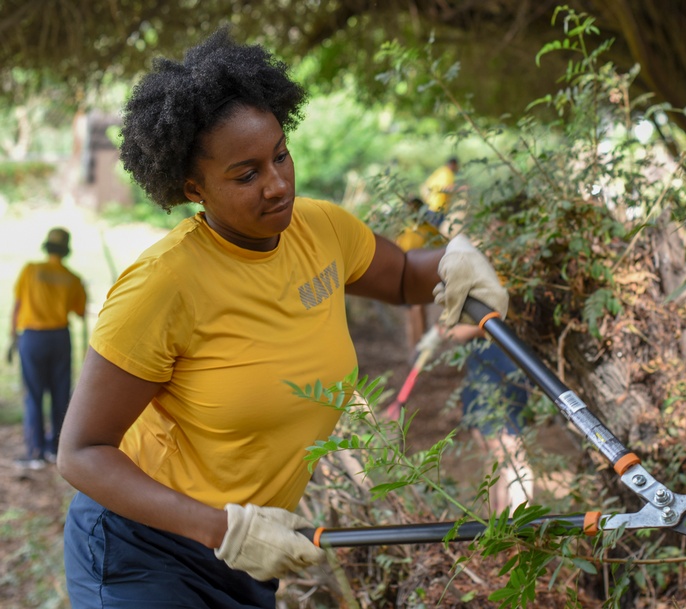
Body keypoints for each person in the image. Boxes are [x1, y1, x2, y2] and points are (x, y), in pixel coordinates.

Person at [56, 28, 508, 609]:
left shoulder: (320, 229)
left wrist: (452, 262)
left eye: (281, 155)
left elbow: (399, 277)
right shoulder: (163, 286)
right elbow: (82, 452)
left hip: (246, 556)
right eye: (245, 176)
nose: (277, 185)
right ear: (192, 188)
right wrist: (219, 528)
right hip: (143, 552)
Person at [10, 227, 87, 470]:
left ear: (48, 246)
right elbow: (81, 312)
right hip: (60, 338)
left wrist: (12, 336)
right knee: (60, 393)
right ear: (66, 249)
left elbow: (18, 305)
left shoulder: (31, 270)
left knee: (33, 395)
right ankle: (55, 449)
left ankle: (34, 453)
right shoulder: (73, 278)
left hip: (32, 338)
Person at [445, 323, 535, 513]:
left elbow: (494, 322)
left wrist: (455, 330)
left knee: (509, 451)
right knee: (489, 452)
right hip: (479, 374)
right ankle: (495, 520)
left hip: (502, 372)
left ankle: (519, 520)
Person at [394, 197, 445, 351]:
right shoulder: (408, 232)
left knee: (416, 310)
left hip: (417, 279)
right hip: (408, 278)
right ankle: (416, 349)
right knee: (414, 312)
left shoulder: (424, 231)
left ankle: (418, 349)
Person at [419, 157, 462, 234]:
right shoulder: (447, 173)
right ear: (453, 164)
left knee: (432, 232)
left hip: (432, 207)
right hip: (437, 209)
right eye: (457, 166)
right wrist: (461, 188)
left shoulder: (439, 172)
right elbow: (446, 188)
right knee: (434, 233)